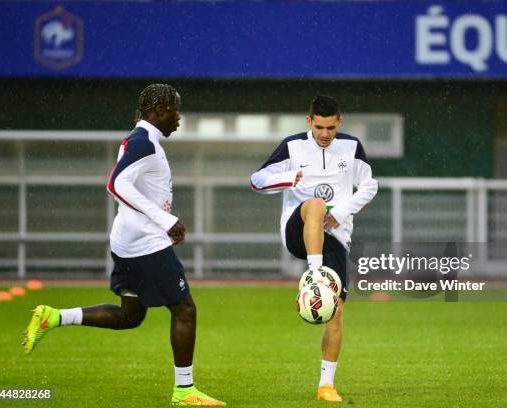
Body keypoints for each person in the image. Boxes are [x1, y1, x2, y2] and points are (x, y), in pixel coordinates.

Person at [22, 84, 225, 407]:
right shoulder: (144, 142)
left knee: (130, 317)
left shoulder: (141, 139)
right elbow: (116, 183)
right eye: (175, 109)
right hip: (145, 242)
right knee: (185, 310)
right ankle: (185, 391)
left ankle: (54, 317)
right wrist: (164, 220)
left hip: (128, 240)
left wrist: (163, 219)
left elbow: (130, 186)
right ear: (159, 110)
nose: (179, 118)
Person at [250, 95, 378, 402]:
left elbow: (370, 185)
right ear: (309, 121)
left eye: (330, 128)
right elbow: (257, 180)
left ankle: (326, 386)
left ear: (339, 123)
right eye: (319, 127)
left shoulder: (352, 147)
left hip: (335, 237)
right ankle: (315, 273)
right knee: (315, 204)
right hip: (298, 229)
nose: (324, 133)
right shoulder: (292, 146)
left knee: (337, 311)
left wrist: (342, 212)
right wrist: (286, 178)